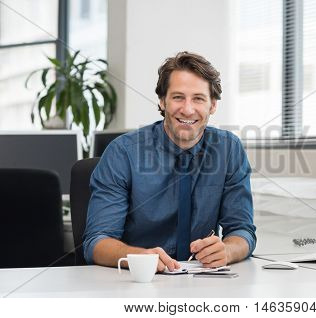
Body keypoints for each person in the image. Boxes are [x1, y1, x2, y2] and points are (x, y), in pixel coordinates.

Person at [83, 51, 256, 272]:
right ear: (162, 101)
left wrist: (227, 250)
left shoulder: (229, 149)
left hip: (202, 281)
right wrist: (139, 257)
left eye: (198, 98)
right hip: (136, 282)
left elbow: (243, 231)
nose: (187, 108)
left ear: (212, 105)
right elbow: (96, 241)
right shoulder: (122, 153)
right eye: (178, 97)